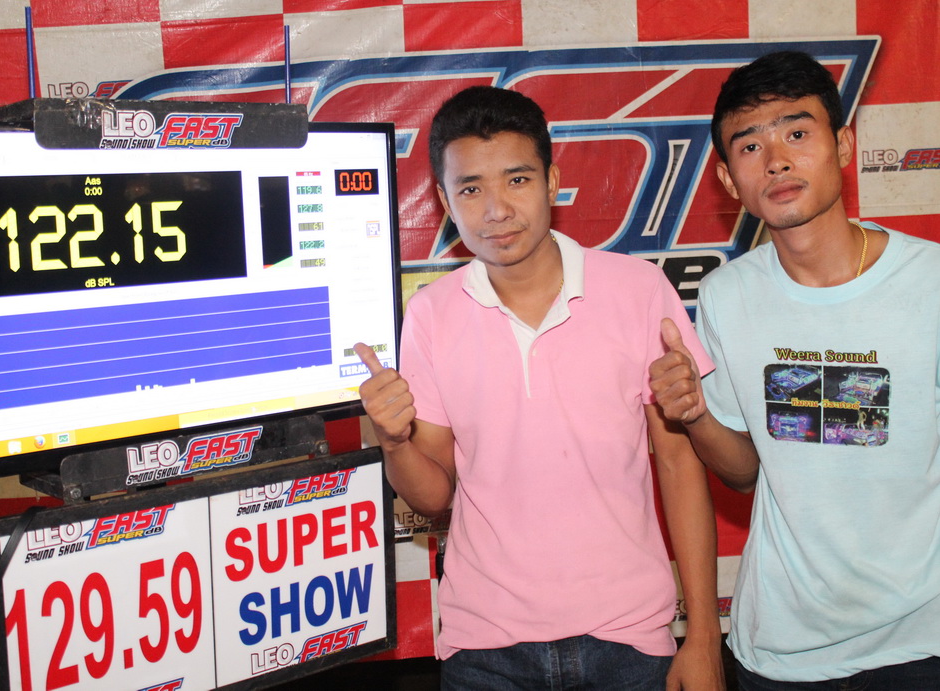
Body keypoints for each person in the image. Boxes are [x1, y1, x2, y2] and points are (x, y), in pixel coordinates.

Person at [353, 85, 724, 690]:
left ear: (552, 182)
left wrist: (704, 636)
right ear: (445, 201)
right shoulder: (431, 314)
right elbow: (434, 496)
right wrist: (393, 442)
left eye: (517, 180)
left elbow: (680, 466)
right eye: (471, 189)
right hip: (486, 648)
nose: (496, 210)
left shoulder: (638, 290)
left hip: (630, 639)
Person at [650, 51, 940, 689]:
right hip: (780, 652)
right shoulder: (727, 295)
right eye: (750, 146)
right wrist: (694, 414)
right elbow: (744, 471)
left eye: (797, 133)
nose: (776, 160)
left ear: (844, 145)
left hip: (922, 642)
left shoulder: (930, 281)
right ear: (729, 180)